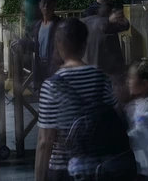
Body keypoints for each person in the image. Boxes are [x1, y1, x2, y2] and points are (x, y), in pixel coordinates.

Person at [35, 18, 129, 181]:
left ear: (59, 45)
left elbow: (45, 141)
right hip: (98, 168)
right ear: (84, 45)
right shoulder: (101, 78)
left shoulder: (51, 85)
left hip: (64, 170)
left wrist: (39, 177)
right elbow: (117, 116)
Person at [83, 0, 130, 100]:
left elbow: (124, 25)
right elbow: (92, 27)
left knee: (116, 90)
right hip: (97, 55)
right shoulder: (89, 11)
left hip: (113, 53)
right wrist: (109, 21)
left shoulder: (113, 8)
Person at [14, 0, 63, 91]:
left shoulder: (60, 25)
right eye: (44, 2)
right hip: (40, 67)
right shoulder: (38, 25)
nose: (46, 6)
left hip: (54, 68)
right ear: (39, 5)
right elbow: (37, 47)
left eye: (49, 2)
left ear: (54, 5)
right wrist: (22, 42)